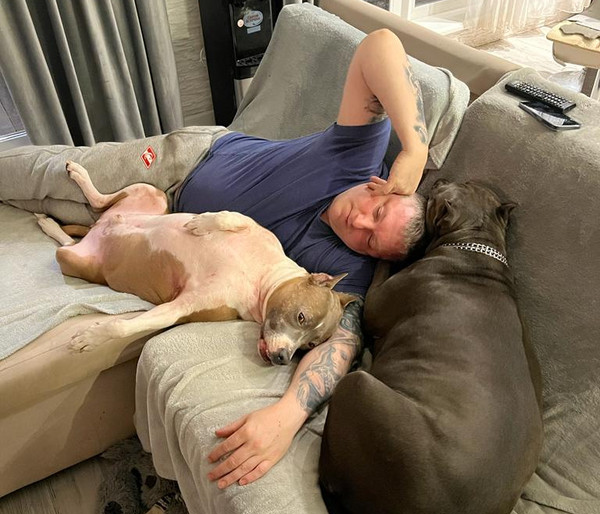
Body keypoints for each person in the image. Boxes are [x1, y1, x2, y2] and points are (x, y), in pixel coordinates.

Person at [0, 28, 428, 489]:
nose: (358, 225)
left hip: (157, 230)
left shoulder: (343, 270)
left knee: (58, 213)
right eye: (377, 212)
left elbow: (340, 342)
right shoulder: (357, 155)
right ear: (382, 183)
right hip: (185, 161)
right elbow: (379, 45)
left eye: (370, 242)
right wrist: (415, 146)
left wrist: (287, 416)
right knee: (43, 176)